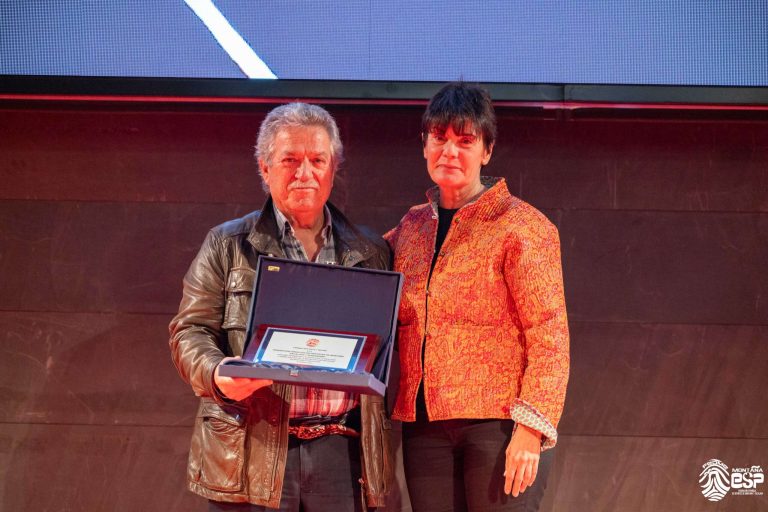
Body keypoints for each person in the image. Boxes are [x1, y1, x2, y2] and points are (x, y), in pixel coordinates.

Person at [169, 102, 394, 511]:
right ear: (265, 167)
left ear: (333, 168)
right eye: (290, 160)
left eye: (317, 160)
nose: (305, 173)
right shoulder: (227, 244)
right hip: (252, 448)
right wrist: (217, 373)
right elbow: (190, 331)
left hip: (341, 455)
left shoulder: (371, 251)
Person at [385, 82, 570, 512]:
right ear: (425, 145)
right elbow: (363, 275)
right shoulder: (411, 228)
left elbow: (550, 336)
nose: (449, 151)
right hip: (425, 427)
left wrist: (531, 429)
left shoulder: (523, 227)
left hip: (500, 426)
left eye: (465, 141)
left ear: (487, 150)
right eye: (440, 138)